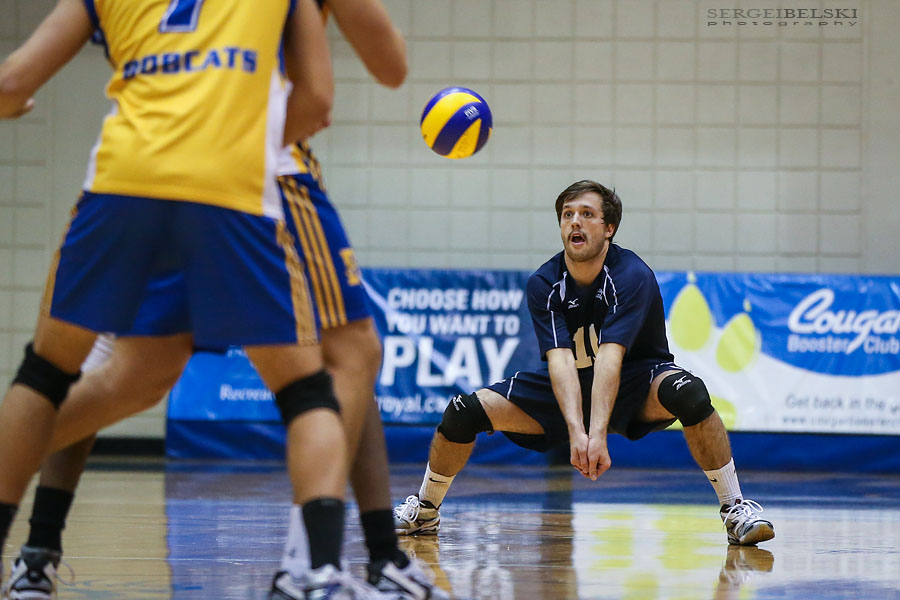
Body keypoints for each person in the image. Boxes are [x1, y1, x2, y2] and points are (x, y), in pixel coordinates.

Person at [2, 1, 447, 599]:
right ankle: (319, 565)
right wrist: (232, 143)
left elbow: (14, 81)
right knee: (337, 362)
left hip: (130, 173)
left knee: (108, 372)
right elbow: (360, 79)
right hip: (254, 179)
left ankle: (371, 556)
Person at [393, 180, 775, 547]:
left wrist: (597, 435)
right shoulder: (544, 283)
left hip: (635, 383)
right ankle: (425, 510)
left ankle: (734, 509)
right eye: (567, 214)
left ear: (609, 228)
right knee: (462, 412)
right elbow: (560, 362)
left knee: (690, 394)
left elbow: (610, 357)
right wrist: (577, 433)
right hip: (568, 386)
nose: (575, 221)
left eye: (587, 214)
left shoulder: (631, 275)